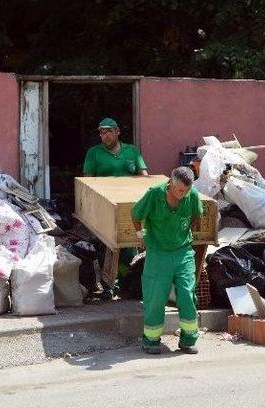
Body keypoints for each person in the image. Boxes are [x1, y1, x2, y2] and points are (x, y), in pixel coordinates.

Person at [131, 167, 203, 355]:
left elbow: (197, 214)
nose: (182, 194)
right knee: (156, 296)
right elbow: (136, 214)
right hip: (158, 253)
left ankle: (188, 339)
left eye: (186, 191)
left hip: (183, 252)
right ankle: (151, 340)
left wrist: (192, 233)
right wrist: (141, 236)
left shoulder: (192, 195)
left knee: (187, 294)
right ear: (170, 182)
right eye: (179, 190)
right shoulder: (155, 194)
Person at [82, 117, 148, 299]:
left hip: (129, 208)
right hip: (104, 208)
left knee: (128, 248)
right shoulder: (94, 153)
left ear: (118, 131)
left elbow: (144, 177)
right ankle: (107, 286)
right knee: (106, 247)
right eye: (102, 132)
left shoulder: (132, 151)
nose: (105, 135)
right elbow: (88, 182)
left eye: (109, 131)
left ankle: (125, 284)